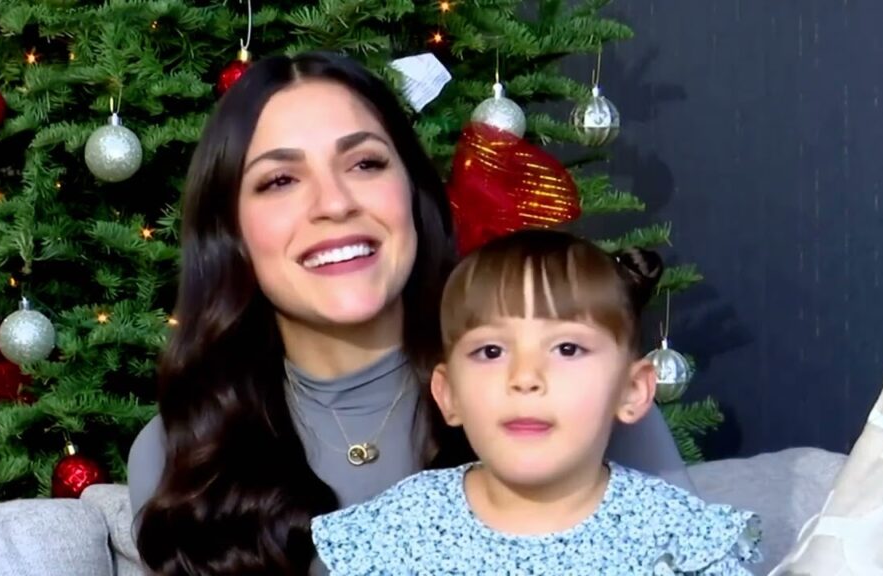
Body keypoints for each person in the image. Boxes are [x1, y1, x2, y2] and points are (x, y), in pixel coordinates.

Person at [128, 50, 695, 575]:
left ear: (413, 193)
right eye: (280, 180)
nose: (334, 203)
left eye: (366, 164)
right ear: (232, 235)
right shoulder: (182, 456)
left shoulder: (574, 387)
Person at [311, 229, 763, 574]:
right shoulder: (396, 534)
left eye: (567, 349)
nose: (525, 377)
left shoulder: (679, 539)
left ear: (633, 390)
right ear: (449, 395)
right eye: (491, 351)